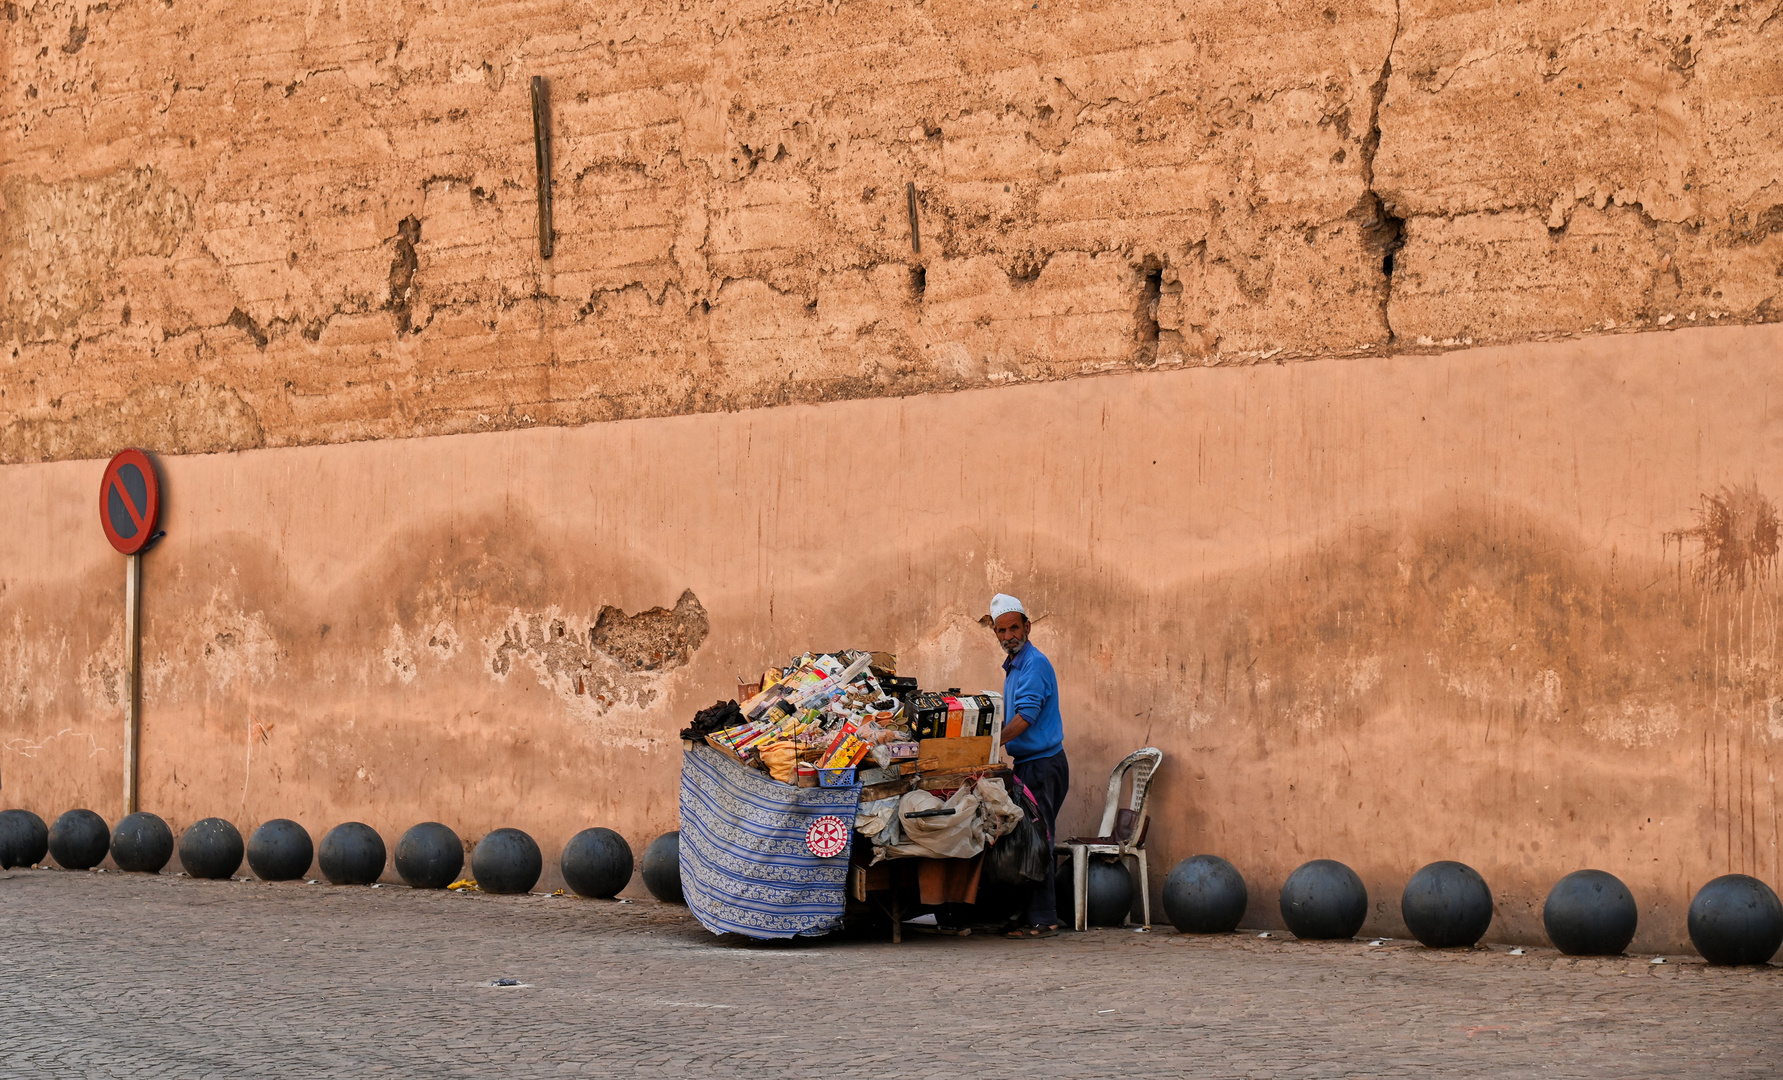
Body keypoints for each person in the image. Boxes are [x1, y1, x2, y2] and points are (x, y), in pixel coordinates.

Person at [990, 592, 1069, 938]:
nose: (1008, 636)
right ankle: (1029, 914)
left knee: (1040, 840)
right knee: (1027, 840)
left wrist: (993, 744)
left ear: (1027, 626)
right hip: (1028, 763)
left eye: (1013, 628)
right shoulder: (1015, 666)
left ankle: (1045, 917)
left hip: (1044, 765)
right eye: (1001, 631)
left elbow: (1026, 716)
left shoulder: (1034, 664)